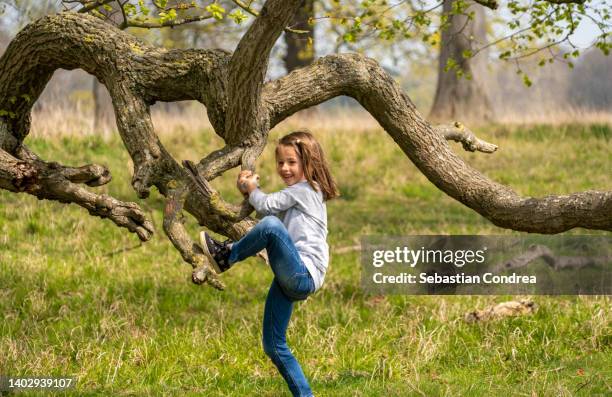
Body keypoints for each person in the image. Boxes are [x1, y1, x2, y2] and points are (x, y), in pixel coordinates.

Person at [200, 130, 339, 397]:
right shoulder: (300, 192)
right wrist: (247, 190)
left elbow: (266, 206)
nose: (284, 168)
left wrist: (252, 189)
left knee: (272, 226)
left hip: (302, 274)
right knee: (274, 345)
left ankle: (226, 256)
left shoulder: (307, 189)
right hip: (294, 277)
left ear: (308, 164)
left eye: (292, 162)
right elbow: (267, 206)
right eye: (280, 162)